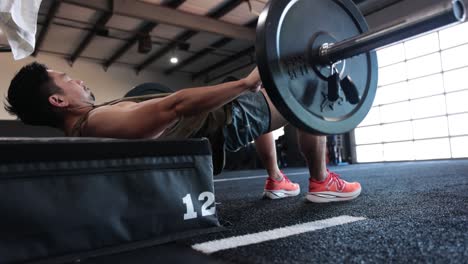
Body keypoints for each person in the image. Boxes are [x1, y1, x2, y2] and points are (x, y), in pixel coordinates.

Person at [4, 62, 361, 203]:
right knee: (307, 97)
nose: (78, 80)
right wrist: (244, 83)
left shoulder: (90, 123)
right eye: (68, 80)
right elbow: (171, 108)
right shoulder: (96, 123)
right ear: (57, 99)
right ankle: (321, 181)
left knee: (147, 86)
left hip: (215, 120)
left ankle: (275, 178)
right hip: (222, 124)